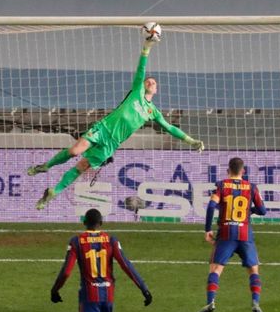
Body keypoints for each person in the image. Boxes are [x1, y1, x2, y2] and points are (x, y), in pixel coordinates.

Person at [28, 31, 204, 210]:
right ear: (142, 85)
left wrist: (190, 140)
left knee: (81, 166)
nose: (150, 82)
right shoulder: (136, 93)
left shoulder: (153, 112)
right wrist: (147, 47)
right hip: (103, 129)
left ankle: (53, 192)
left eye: (154, 83)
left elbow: (170, 128)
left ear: (156, 90)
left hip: (111, 144)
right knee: (74, 151)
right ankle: (45, 166)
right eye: (148, 81)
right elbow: (141, 70)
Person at [195, 157, 267, 312]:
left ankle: (210, 302)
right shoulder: (251, 187)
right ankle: (255, 302)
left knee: (216, 269)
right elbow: (263, 210)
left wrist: (207, 229)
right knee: (253, 270)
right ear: (243, 171)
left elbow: (211, 206)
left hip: (226, 232)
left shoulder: (221, 185)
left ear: (228, 170)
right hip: (245, 233)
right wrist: (250, 211)